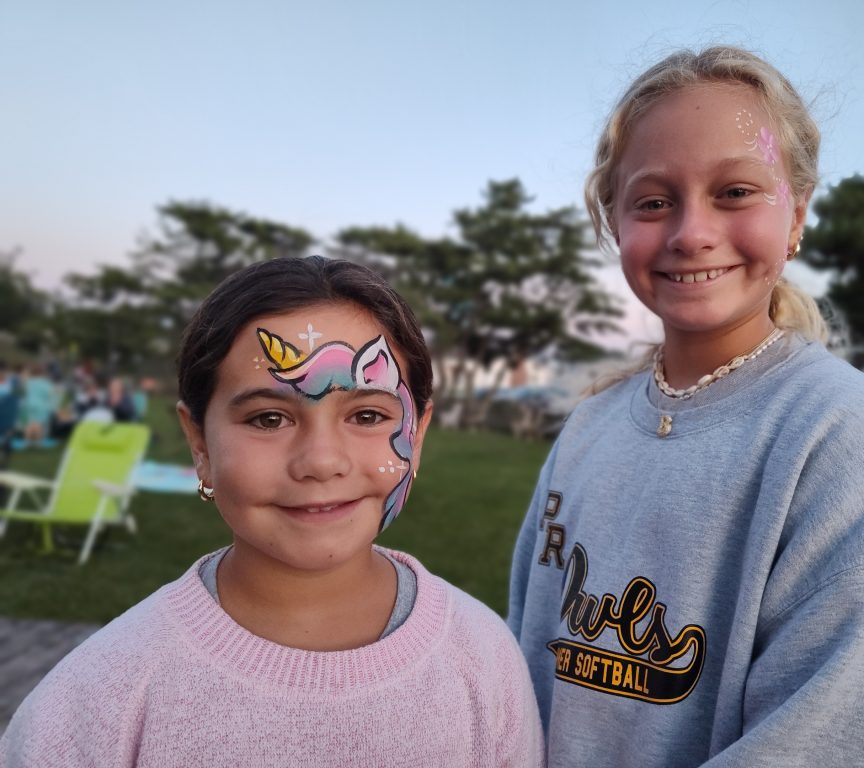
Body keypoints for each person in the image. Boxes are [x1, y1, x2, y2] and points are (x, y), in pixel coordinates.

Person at [507, 46, 864, 767]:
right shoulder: (587, 428)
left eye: (736, 192)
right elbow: (523, 664)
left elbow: (837, 738)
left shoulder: (842, 436)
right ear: (616, 222)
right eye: (653, 201)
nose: (690, 232)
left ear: (796, 214)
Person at [2, 256, 543, 767]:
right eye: (267, 419)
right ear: (199, 443)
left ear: (416, 435)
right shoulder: (99, 698)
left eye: (369, 414)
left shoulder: (484, 660)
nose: (321, 461)